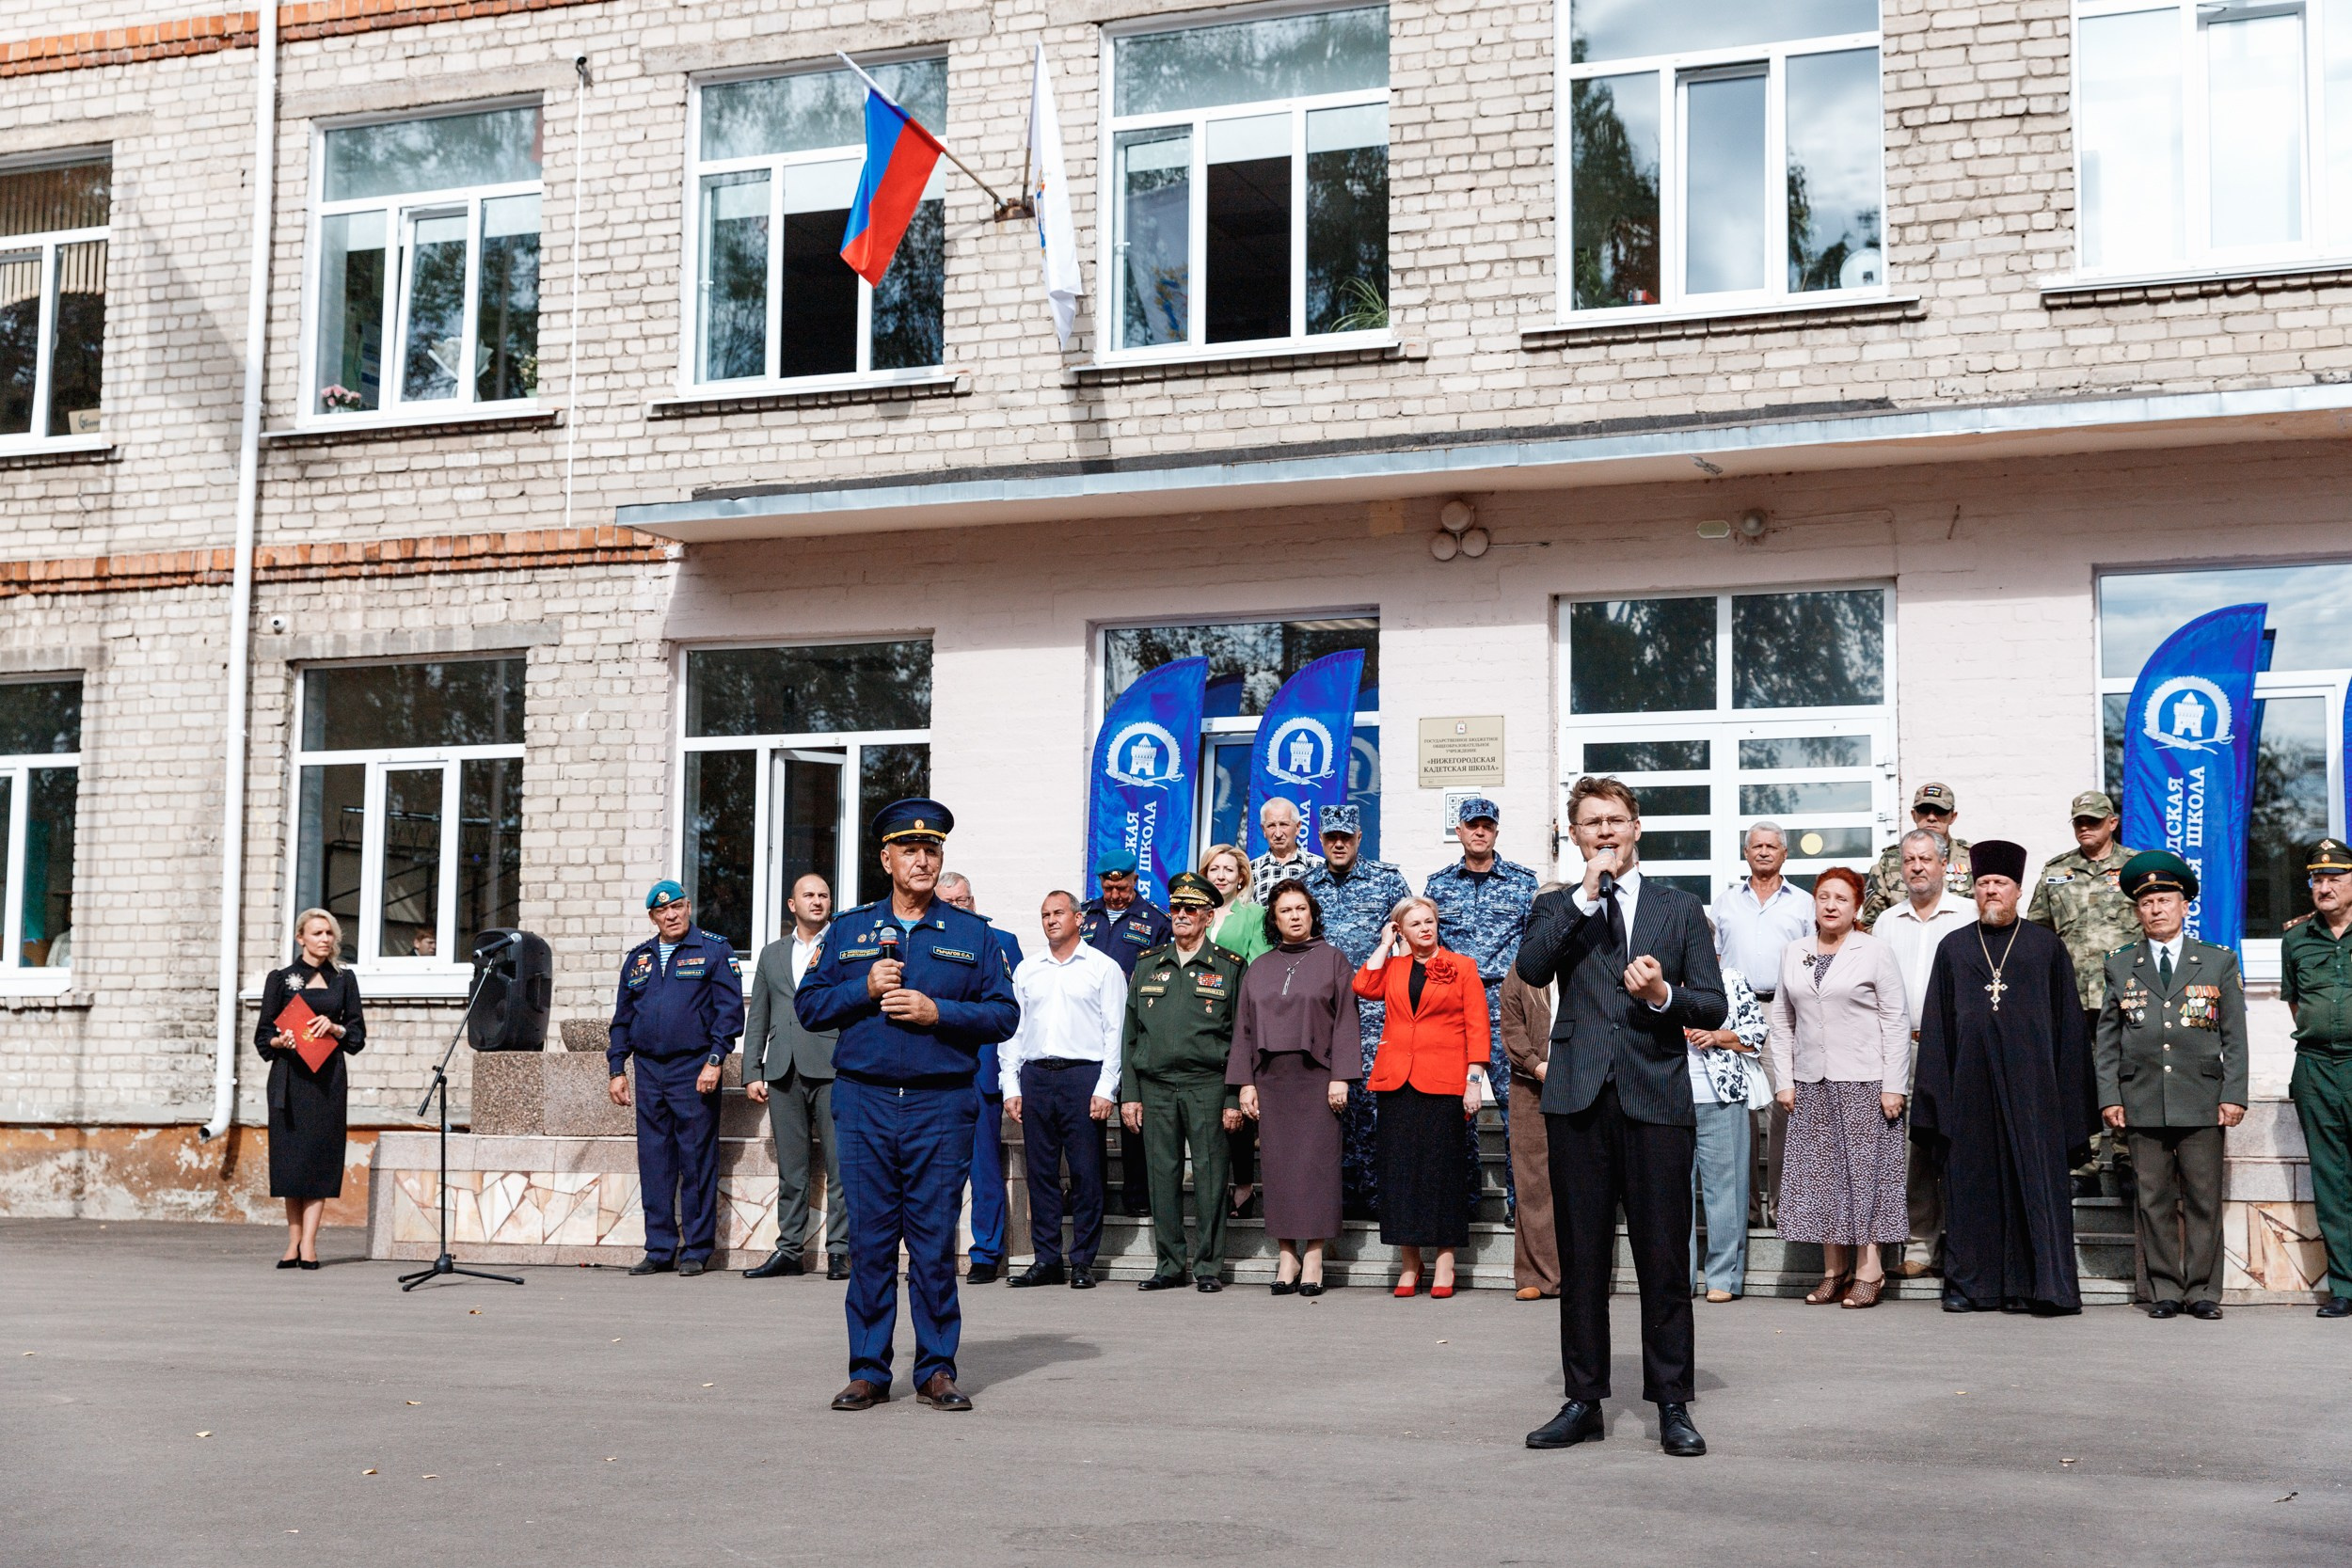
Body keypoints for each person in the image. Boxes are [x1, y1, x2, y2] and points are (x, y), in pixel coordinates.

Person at [1517, 776, 1726, 1459]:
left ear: (1637, 827)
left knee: (1663, 1258)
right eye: (1590, 823)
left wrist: (1665, 993)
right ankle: (1583, 1400)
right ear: (1575, 836)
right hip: (1578, 1097)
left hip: (1655, 1097)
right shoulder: (1558, 906)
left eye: (1615, 819)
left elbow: (1714, 1004)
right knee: (1581, 1261)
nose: (1604, 831)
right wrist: (1583, 893)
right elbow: (1531, 964)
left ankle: (1672, 1403)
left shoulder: (1678, 907)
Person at [796, 799, 1019, 1413]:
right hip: (865, 1102)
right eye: (911, 849)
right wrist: (862, 987)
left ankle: (936, 1369)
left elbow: (1005, 1012)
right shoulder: (849, 930)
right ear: (886, 857)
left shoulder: (973, 934)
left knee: (930, 1244)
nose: (923, 859)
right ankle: (868, 1368)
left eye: (933, 849)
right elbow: (810, 1006)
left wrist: (938, 1011)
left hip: (941, 1107)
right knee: (869, 1242)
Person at [1911, 840, 2098, 1316]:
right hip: (1969, 1091)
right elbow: (1937, 1027)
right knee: (1971, 1188)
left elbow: (2069, 1030)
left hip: (2035, 1094)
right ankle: (1971, 1287)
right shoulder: (1953, 948)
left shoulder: (2046, 947)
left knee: (2032, 1185)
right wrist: (1936, 1100)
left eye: (2001, 883)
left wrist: (2070, 1106)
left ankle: (2039, 1288)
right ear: (1973, 890)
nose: (1991, 891)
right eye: (1983, 884)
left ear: (2017, 891)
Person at [2094, 851, 2248, 1321]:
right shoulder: (2121, 965)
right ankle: (2164, 1288)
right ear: (2137, 911)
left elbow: (2234, 1035)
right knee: (2153, 1198)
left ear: (2185, 906)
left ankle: (2203, 1291)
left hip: (2200, 1098)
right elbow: (2107, 1039)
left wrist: (2233, 1093)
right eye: (2147, 903)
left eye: (2165, 899)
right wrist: (2110, 1096)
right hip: (2141, 1098)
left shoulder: (2216, 961)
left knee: (2203, 1199)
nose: (2156, 909)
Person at [1767, 867, 1913, 1310]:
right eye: (1824, 897)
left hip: (1866, 1081)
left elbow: (1895, 1019)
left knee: (1867, 1176)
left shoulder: (1875, 951)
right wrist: (1785, 1080)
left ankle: (1871, 1271)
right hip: (1812, 1083)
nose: (1831, 905)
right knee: (1823, 1180)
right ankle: (1835, 1270)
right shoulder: (1795, 951)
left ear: (1857, 907)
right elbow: (1781, 1018)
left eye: (1842, 899)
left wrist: (1894, 1085)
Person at [1227, 881, 1359, 1295]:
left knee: (1316, 1167)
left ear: (1312, 913)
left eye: (1301, 908)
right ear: (1275, 919)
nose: (1295, 916)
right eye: (1286, 910)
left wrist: (1341, 1075)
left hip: (1318, 1079)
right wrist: (1244, 1084)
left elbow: (1345, 1023)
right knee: (1280, 1168)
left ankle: (1315, 1255)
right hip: (1271, 1081)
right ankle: (1287, 1254)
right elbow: (1243, 1029)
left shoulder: (1334, 960)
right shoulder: (1260, 966)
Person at [1353, 895, 1489, 1296]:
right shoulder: (1393, 966)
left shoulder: (1462, 967)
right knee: (1399, 1173)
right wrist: (1383, 944)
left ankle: (1445, 1262)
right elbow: (1363, 985)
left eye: (1429, 921)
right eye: (1414, 924)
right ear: (1402, 931)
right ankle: (1410, 1263)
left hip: (1445, 1082)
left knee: (1443, 1172)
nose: (1425, 928)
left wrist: (1474, 1080)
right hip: (1397, 1082)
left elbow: (1477, 1026)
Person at [607, 881, 743, 1279]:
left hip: (694, 1067)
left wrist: (715, 1061)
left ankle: (697, 1249)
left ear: (688, 908)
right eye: (663, 912)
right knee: (655, 1162)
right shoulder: (638, 960)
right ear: (653, 917)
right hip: (648, 1071)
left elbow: (730, 1014)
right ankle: (660, 1248)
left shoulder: (714, 950)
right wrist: (617, 1069)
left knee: (697, 1160)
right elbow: (622, 1021)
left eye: (678, 907)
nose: (672, 915)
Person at [1120, 872, 1247, 1292]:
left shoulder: (1229, 967)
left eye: (1191, 909)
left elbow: (1240, 1036)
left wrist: (1232, 1095)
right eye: (1176, 908)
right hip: (1155, 1087)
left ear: (1208, 917)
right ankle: (1169, 1264)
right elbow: (1131, 1032)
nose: (1181, 915)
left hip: (1207, 1085)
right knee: (1162, 1175)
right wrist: (1131, 1095)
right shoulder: (1147, 963)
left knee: (1211, 1177)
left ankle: (1208, 1266)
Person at [1000, 891, 1128, 1290]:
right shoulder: (1028, 970)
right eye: (1044, 915)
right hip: (1037, 1077)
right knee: (1040, 1173)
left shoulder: (1102, 968)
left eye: (1058, 913)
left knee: (1087, 1172)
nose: (1051, 920)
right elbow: (1013, 1032)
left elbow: (1115, 1033)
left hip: (1083, 1077)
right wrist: (1011, 1084)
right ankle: (1047, 1259)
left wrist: (1107, 1087)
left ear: (1078, 918)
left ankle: (1084, 1261)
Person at [1423, 795, 1538, 1220]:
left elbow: (1534, 945)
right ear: (1459, 830)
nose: (1479, 831)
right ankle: (1463, 1200)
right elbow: (1429, 945)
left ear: (1495, 830)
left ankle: (1519, 1203)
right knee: (1455, 1108)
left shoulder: (1523, 882)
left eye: (1486, 825)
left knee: (1517, 1108)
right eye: (1472, 825)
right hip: (1454, 1006)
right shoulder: (1437, 885)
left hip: (1507, 1005)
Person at [1867, 828, 1976, 1278]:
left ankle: (1967, 1242)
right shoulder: (1887, 921)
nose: (1916, 867)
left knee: (1961, 1144)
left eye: (1925, 859)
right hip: (1900, 1047)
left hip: (1955, 1050)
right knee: (1913, 1150)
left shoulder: (1967, 914)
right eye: (1909, 859)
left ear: (1943, 863)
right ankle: (1920, 1244)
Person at [2029, 789, 2147, 1197]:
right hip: (2072, 996)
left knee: (2127, 1073)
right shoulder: (2056, 871)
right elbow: (2038, 934)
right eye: (2079, 821)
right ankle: (2084, 1162)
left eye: (2093, 821)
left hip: (2127, 993)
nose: (2085, 828)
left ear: (2112, 823)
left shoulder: (2136, 868)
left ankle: (2127, 1156)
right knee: (2078, 1077)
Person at [1305, 802, 1412, 1221]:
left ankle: (1373, 1194)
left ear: (1358, 838)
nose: (1337, 843)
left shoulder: (1386, 881)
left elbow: (1407, 943)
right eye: (1330, 836)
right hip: (1323, 1011)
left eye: (1345, 837)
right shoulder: (1307, 885)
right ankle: (1338, 1195)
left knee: (1369, 1104)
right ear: (1320, 838)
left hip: (1373, 1011)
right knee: (1330, 1104)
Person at [741, 873, 849, 1281]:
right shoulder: (771, 954)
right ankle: (789, 1251)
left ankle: (840, 1251)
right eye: (809, 895)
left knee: (841, 1166)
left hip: (832, 1066)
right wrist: (753, 1068)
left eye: (823, 895)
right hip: (783, 1069)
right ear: (792, 904)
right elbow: (759, 1015)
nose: (817, 901)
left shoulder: (843, 948)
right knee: (792, 1168)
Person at [254, 909, 365, 1270]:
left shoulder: (343, 981)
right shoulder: (281, 979)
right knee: (291, 1163)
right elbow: (262, 1035)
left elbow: (357, 1035)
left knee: (320, 1162)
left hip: (328, 1082)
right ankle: (292, 1243)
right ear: (300, 938)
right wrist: (280, 1041)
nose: (325, 939)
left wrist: (335, 1028)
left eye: (330, 933)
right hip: (290, 1081)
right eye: (317, 933)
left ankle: (310, 1246)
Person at [1714, 821, 1811, 1226]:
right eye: (1757, 846)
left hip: (1783, 1010)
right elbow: (1713, 959)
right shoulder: (1725, 902)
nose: (1765, 852)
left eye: (1772, 846)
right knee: (1739, 1112)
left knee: (1781, 1107)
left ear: (1785, 853)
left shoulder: (1803, 903)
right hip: (1735, 1011)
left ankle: (1783, 1206)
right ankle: (1748, 1210)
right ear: (1746, 852)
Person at [2280, 837, 2352, 1318]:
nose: (2323, 887)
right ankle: (2345, 1285)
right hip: (2316, 1068)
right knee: (2331, 1182)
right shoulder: (2295, 939)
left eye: (2334, 878)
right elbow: (2295, 1003)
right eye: (2317, 879)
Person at [1078, 851, 1171, 1217]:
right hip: (1087, 1033)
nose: (1115, 895)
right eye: (1108, 887)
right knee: (1089, 1119)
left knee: (1133, 1115)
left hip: (1134, 1032)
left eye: (1122, 886)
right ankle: (1091, 1196)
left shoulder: (1155, 921)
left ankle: (1137, 1197)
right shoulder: (1084, 916)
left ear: (1135, 880)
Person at [938, 872, 1018, 1284]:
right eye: (949, 901)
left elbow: (1013, 1013)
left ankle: (986, 1252)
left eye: (964, 900)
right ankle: (931, 1254)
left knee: (984, 1169)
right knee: (933, 1171)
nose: (958, 907)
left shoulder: (1000, 941)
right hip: (934, 1072)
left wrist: (1011, 1077)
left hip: (983, 1073)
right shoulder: (920, 940)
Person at [1684, 964, 1769, 1303]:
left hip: (1722, 1096)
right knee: (1673, 1196)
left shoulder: (1729, 979)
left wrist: (1719, 1036)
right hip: (1666, 1100)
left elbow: (1757, 1033)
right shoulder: (1652, 983)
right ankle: (1679, 1277)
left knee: (1727, 1191)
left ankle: (1724, 1277)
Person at [1200, 842, 1270, 1217]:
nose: (1222, 876)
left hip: (1236, 1015)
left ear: (1241, 876)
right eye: (1214, 869)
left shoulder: (1254, 914)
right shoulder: (1193, 912)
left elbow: (1259, 962)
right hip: (1197, 1020)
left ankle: (1244, 1187)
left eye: (1229, 869)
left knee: (1237, 1103)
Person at [1499, 921, 1561, 1301]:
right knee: (1534, 1183)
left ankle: (1582, 1274)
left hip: (1585, 1087)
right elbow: (1511, 1028)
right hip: (1530, 1087)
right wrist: (1538, 1066)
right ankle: (1537, 1276)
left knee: (1582, 1184)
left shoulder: (1591, 961)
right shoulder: (1522, 970)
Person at [1860, 783, 1973, 926]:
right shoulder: (1891, 860)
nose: (1931, 817)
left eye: (1940, 811)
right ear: (1913, 815)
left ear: (1953, 817)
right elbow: (1871, 924)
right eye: (1924, 810)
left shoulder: (1971, 857)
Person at [1248, 798, 1325, 904]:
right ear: (1264, 830)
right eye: (1271, 826)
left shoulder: (1319, 866)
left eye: (1284, 824)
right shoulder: (1251, 871)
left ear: (1298, 827)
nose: (1278, 834)